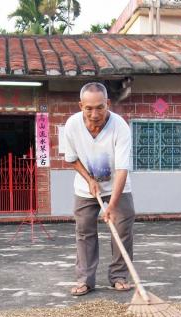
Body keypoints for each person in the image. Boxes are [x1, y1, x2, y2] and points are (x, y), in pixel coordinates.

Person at [60, 82, 135, 297]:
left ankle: (119, 276)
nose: (94, 114)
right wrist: (89, 179)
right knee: (84, 233)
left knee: (122, 230)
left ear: (108, 104)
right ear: (81, 106)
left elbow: (122, 170)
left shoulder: (120, 126)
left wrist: (111, 205)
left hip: (117, 188)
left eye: (100, 107)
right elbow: (71, 159)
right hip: (86, 189)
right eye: (89, 108)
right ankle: (85, 280)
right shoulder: (72, 125)